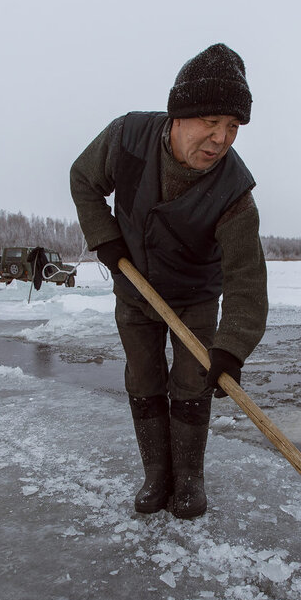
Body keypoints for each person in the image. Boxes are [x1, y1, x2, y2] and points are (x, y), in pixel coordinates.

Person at [70, 43, 267, 520]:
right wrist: (107, 240)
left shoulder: (234, 191)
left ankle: (190, 480)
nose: (221, 139)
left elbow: (246, 278)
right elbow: (83, 179)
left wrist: (232, 347)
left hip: (194, 297)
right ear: (179, 116)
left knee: (191, 383)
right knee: (143, 376)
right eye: (211, 122)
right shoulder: (127, 138)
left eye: (233, 128)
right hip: (134, 286)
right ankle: (157, 474)